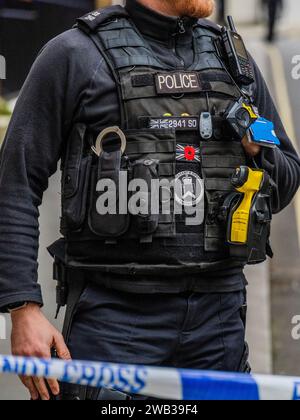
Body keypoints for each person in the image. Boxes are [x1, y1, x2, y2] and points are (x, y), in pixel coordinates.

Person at [0, 0, 299, 401]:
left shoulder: (233, 60)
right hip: (116, 322)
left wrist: (257, 151)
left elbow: (286, 180)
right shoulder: (75, 54)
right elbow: (16, 183)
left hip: (219, 322)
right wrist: (23, 307)